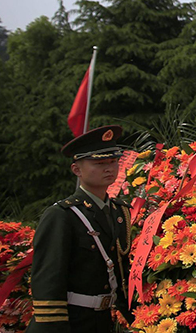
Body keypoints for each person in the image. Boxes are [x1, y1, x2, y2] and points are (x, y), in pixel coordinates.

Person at [27, 125, 132, 332]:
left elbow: (121, 277)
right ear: (77, 170)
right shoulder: (62, 216)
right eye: (99, 163)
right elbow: (48, 284)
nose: (109, 168)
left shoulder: (119, 212)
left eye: (113, 161)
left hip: (102, 322)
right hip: (70, 323)